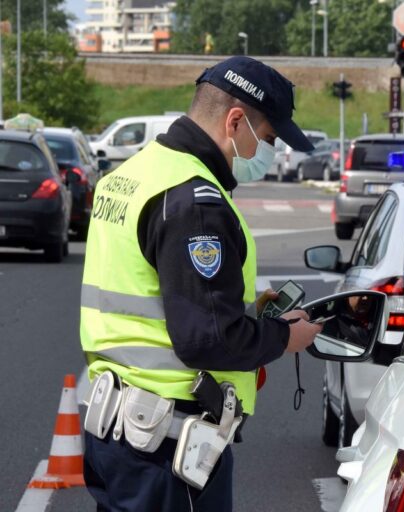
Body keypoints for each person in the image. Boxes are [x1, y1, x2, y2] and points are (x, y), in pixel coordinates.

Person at [79, 56, 322, 511]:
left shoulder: (132, 175)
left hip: (118, 433)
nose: (271, 152)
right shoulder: (195, 200)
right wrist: (284, 336)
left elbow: (157, 297)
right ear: (236, 122)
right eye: (270, 138)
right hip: (166, 447)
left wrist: (245, 313)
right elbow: (209, 339)